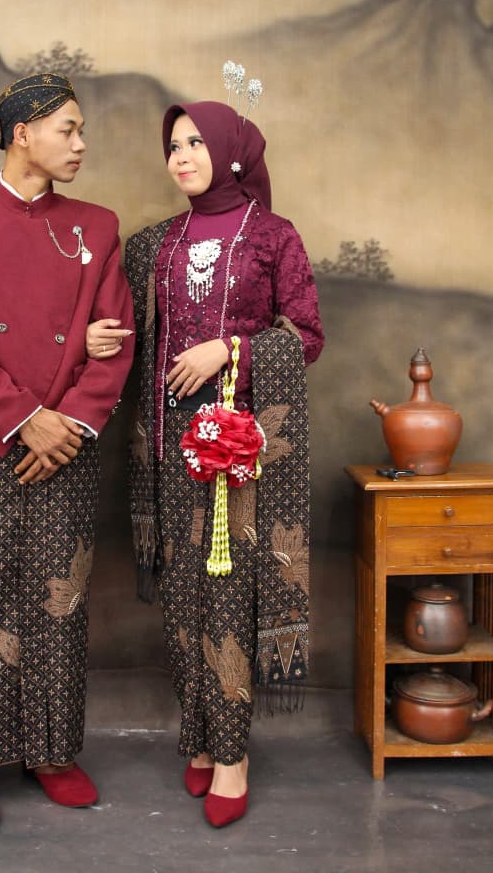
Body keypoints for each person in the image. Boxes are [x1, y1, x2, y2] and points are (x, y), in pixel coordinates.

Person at [87, 99, 323, 828]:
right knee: (184, 602)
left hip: (239, 453)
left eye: (195, 142)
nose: (181, 156)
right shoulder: (153, 245)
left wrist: (231, 350)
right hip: (165, 452)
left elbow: (307, 336)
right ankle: (198, 735)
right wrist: (92, 340)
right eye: (173, 145)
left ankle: (231, 757)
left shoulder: (273, 237)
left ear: (232, 151)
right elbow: (121, 328)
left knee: (226, 598)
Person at [0, 73, 134, 831]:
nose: (81, 144)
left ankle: (52, 750)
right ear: (22, 133)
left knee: (60, 596)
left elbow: (117, 341)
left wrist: (67, 425)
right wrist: (23, 420)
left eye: (81, 130)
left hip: (70, 442)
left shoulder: (96, 226)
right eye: (67, 129)